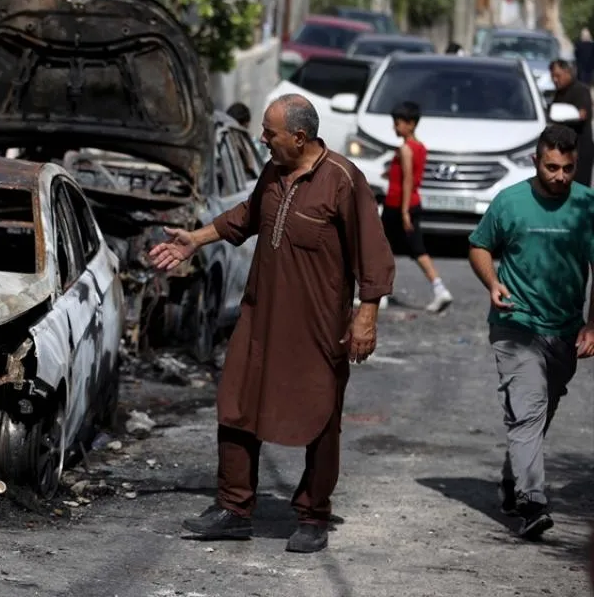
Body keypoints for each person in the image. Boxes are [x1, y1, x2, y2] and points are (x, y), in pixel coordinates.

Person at [149, 94, 395, 554]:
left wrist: (367, 315)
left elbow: (373, 252)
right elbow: (246, 217)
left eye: (270, 133)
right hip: (260, 318)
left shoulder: (343, 180)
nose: (262, 140)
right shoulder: (274, 173)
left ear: (299, 137)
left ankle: (312, 515)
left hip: (317, 326)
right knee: (237, 404)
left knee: (320, 416)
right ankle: (234, 508)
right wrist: (194, 241)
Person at [467, 123, 594, 540]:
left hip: (565, 329)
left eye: (568, 169)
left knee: (539, 413)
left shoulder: (586, 206)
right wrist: (493, 283)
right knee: (527, 408)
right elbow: (479, 245)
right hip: (515, 324)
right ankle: (533, 501)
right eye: (552, 166)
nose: (560, 176)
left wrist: (592, 323)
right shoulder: (510, 202)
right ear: (536, 160)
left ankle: (513, 478)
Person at [381, 101, 453, 312]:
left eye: (398, 123)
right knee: (408, 249)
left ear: (411, 124)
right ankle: (437, 289)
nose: (395, 127)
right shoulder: (419, 148)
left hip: (398, 205)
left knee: (387, 249)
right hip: (410, 203)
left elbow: (408, 180)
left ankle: (438, 289)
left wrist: (403, 212)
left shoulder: (405, 149)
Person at [550, 60, 593, 187]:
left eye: (558, 75)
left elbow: (582, 114)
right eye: (552, 76)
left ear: (568, 73)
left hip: (579, 151)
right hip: (563, 150)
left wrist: (567, 115)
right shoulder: (559, 93)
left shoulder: (580, 91)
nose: (555, 79)